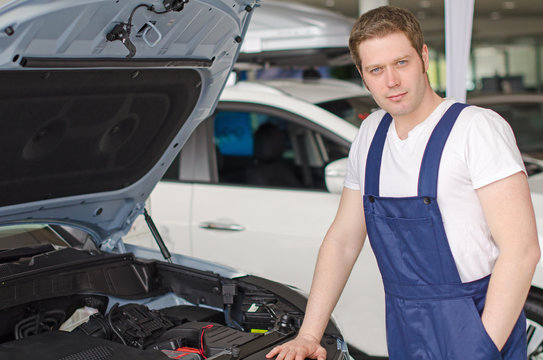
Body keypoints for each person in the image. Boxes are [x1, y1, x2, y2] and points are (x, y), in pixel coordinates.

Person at [265, 5, 540, 360]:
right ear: (363, 76)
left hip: (477, 322)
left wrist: (479, 349)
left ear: (423, 57)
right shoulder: (370, 134)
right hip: (404, 323)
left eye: (401, 63)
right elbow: (343, 240)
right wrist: (309, 334)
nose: (391, 81)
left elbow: (522, 252)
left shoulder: (476, 128)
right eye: (376, 70)